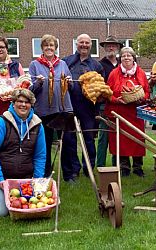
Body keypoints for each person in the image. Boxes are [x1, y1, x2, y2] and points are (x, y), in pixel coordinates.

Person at [0, 88, 46, 216]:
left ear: (31, 104)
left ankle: (0, 196)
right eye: (19, 101)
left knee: (29, 206)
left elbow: (40, 155)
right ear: (13, 103)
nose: (23, 105)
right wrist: (0, 180)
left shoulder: (38, 125)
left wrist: (37, 179)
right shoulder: (0, 123)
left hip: (24, 178)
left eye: (27, 102)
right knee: (0, 212)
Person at [29, 34, 73, 178]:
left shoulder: (63, 64)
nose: (49, 48)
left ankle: (68, 174)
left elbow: (71, 86)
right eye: (46, 45)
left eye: (51, 45)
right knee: (45, 144)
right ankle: (45, 174)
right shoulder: (34, 65)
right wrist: (39, 83)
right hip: (44, 111)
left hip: (63, 109)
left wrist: (69, 81)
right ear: (42, 48)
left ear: (55, 48)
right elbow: (30, 90)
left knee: (66, 142)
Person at [63, 34, 105, 178]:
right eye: (81, 42)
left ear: (90, 45)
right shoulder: (66, 61)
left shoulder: (96, 65)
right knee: (70, 139)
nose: (84, 45)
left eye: (87, 43)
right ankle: (73, 170)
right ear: (76, 44)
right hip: (69, 106)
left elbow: (101, 88)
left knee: (89, 138)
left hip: (88, 108)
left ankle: (88, 168)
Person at [104, 47, 150, 177]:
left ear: (134, 58)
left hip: (135, 113)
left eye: (129, 55)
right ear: (120, 59)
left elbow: (147, 91)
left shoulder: (140, 73)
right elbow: (107, 93)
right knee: (120, 140)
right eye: (123, 55)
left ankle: (137, 167)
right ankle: (124, 167)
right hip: (119, 112)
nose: (126, 57)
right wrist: (117, 100)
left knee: (137, 139)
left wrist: (142, 98)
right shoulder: (114, 73)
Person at [96, 35, 123, 167]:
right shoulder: (99, 65)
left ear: (118, 47)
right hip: (104, 106)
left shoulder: (122, 64)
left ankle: (116, 165)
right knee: (104, 137)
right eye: (108, 45)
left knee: (117, 136)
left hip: (121, 105)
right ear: (105, 48)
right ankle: (100, 165)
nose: (111, 47)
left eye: (113, 45)